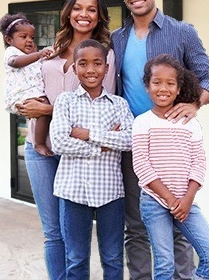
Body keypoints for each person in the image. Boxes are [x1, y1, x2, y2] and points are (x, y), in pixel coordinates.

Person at [111, 0, 209, 280]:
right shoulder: (117, 38)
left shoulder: (182, 31)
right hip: (136, 144)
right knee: (136, 225)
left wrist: (195, 103)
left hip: (174, 143)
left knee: (179, 224)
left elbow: (208, 76)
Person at [16, 0, 116, 280]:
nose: (83, 14)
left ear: (99, 16)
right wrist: (24, 103)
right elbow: (30, 85)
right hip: (39, 150)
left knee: (76, 236)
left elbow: (98, 108)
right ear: (68, 11)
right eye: (78, 7)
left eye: (91, 9)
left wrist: (46, 111)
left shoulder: (103, 56)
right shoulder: (50, 50)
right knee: (52, 233)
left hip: (76, 154)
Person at [132, 54, 209, 280]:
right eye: (157, 82)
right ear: (147, 86)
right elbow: (142, 166)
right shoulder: (143, 122)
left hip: (186, 201)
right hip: (155, 202)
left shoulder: (190, 123)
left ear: (179, 88)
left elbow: (199, 163)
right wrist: (172, 202)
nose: (164, 88)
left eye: (170, 83)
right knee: (165, 264)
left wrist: (187, 200)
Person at [50, 39, 133, 279]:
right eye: (83, 64)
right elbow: (59, 143)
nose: (90, 70)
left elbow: (128, 141)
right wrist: (104, 145)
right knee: (75, 259)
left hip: (110, 193)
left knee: (113, 258)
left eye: (97, 63)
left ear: (107, 68)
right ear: (74, 68)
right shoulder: (65, 101)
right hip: (72, 191)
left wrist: (88, 135)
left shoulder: (119, 104)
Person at [0, 13, 54, 156]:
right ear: (9, 39)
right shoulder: (12, 52)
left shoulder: (31, 54)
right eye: (23, 37)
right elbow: (15, 63)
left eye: (32, 37)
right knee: (44, 108)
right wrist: (38, 54)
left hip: (32, 92)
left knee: (43, 108)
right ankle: (39, 144)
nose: (29, 41)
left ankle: (39, 141)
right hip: (21, 93)